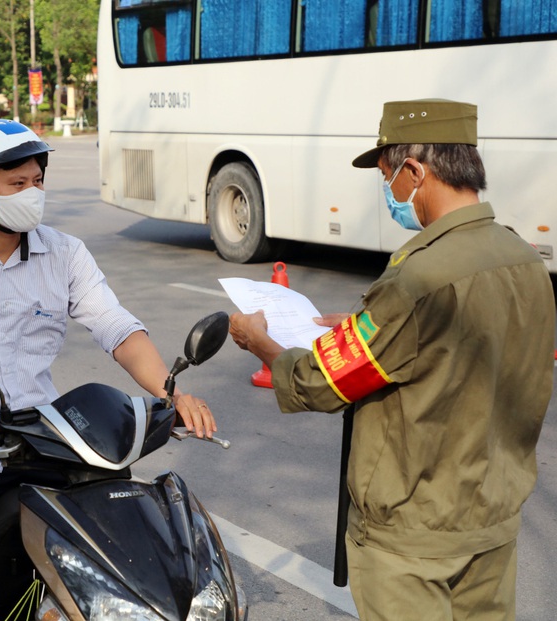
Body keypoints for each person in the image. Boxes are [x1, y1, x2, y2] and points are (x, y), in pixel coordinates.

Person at [228, 99, 554, 621]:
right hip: (493, 519)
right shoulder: (523, 258)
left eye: (387, 177)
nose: (389, 192)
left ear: (415, 172)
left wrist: (260, 342)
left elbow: (320, 383)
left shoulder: (417, 279)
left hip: (413, 537)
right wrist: (360, 326)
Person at [0, 119, 218, 620]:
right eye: (17, 184)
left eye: (37, 181)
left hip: (48, 439)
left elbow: (116, 326)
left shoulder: (64, 253)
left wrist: (170, 393)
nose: (33, 194)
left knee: (128, 563)